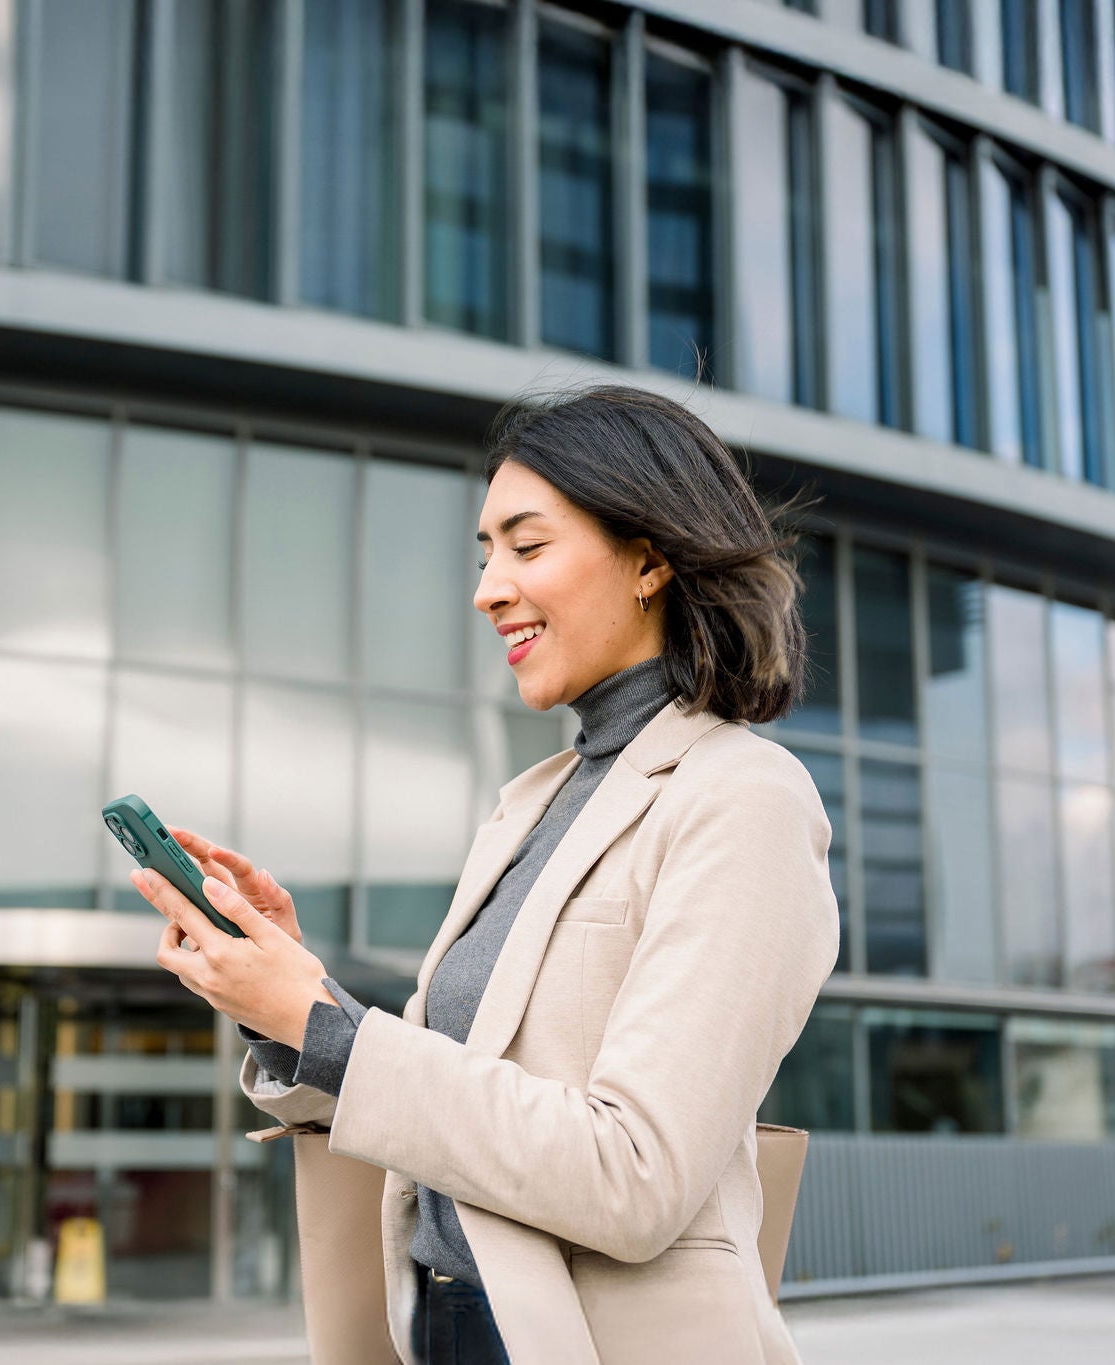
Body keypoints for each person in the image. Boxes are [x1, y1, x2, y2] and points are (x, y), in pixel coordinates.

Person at [135, 385, 839, 1363]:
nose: (487, 589)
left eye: (526, 545)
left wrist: (323, 1025)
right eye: (483, 555)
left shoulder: (742, 798)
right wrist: (286, 999)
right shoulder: (535, 803)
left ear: (648, 557)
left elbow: (631, 1174)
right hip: (443, 1327)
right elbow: (459, 1099)